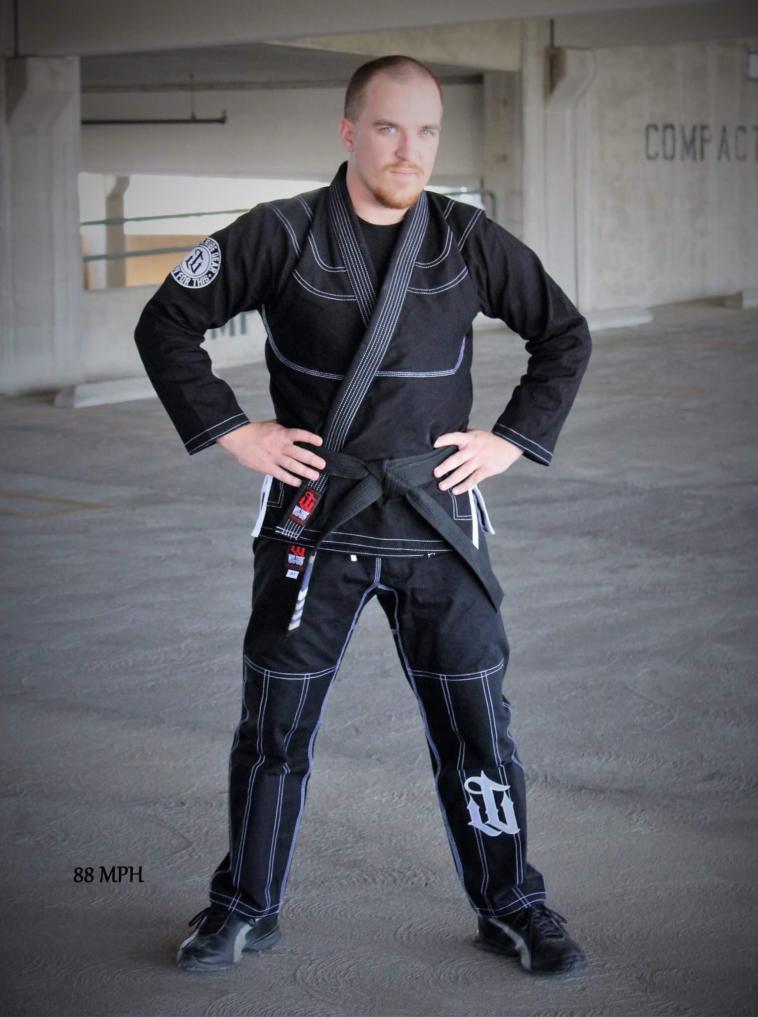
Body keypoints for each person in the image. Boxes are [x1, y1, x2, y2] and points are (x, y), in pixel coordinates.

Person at [134, 54, 592, 978]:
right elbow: (167, 321)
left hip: (436, 524)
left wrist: (508, 440)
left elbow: (564, 334)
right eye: (388, 127)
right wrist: (235, 431)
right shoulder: (282, 232)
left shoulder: (466, 238)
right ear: (349, 131)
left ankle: (513, 902)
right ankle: (244, 905)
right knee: (275, 727)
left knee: (478, 725)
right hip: (316, 519)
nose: (408, 149)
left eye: (426, 131)